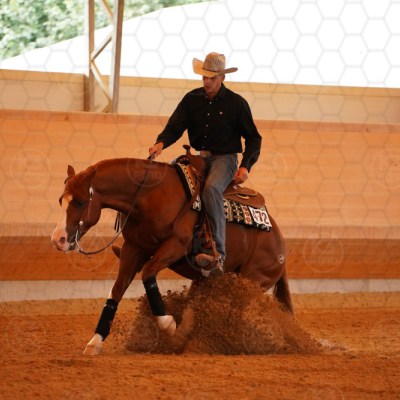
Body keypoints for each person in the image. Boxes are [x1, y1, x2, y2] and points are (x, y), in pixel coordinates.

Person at [149, 52, 262, 274]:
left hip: (225, 159)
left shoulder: (237, 103)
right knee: (171, 181)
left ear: (222, 78)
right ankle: (155, 244)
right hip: (199, 157)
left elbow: (253, 138)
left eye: (211, 78)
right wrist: (161, 143)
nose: (207, 82)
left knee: (211, 189)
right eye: (204, 77)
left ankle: (218, 254)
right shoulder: (191, 100)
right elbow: (175, 127)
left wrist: (245, 166)